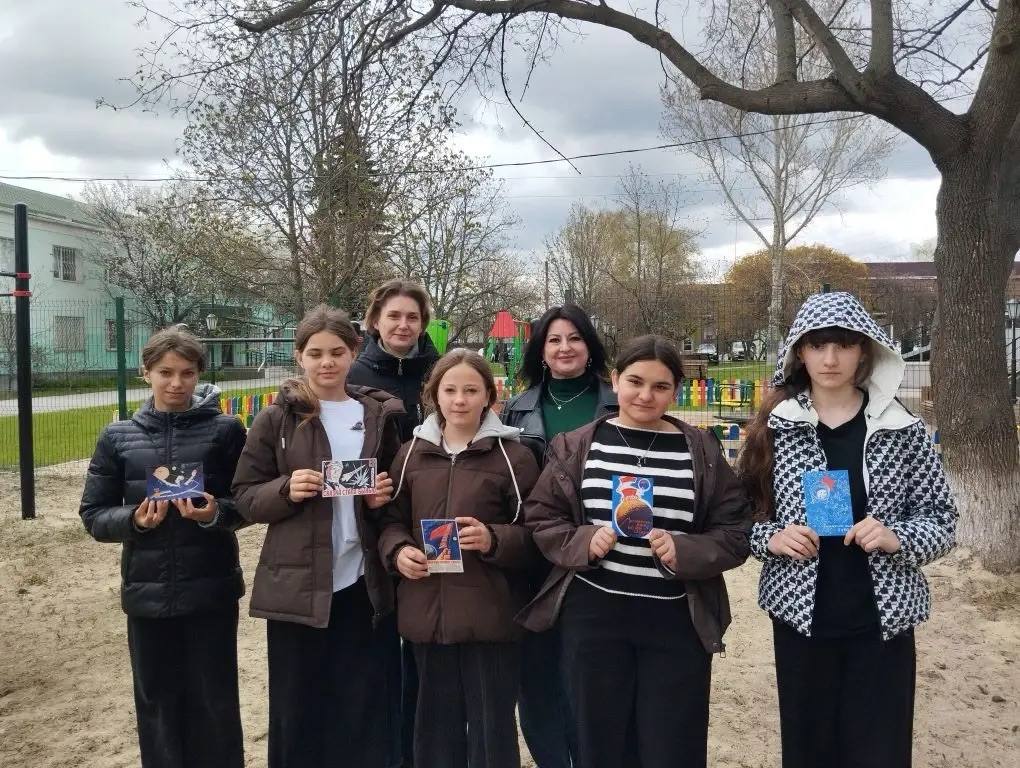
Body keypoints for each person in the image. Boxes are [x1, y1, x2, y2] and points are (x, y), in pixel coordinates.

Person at [739, 291, 957, 768]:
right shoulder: (774, 427)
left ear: (865, 351)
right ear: (800, 352)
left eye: (844, 345)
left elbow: (942, 518)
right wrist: (771, 538)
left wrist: (898, 537)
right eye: (818, 345)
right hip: (801, 616)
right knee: (809, 747)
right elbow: (739, 515)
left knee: (879, 749)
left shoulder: (903, 428)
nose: (831, 359)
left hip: (881, 620)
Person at [519, 334, 751, 768]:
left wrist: (686, 550)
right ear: (615, 380)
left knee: (671, 745)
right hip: (594, 618)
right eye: (635, 382)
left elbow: (736, 530)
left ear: (676, 390)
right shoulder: (577, 445)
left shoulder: (700, 449)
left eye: (660, 386)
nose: (646, 395)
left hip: (676, 619)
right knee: (599, 744)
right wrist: (584, 541)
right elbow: (542, 517)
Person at [231, 305, 404, 768]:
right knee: (299, 705)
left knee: (361, 702)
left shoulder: (377, 415)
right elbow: (244, 496)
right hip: (298, 585)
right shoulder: (276, 419)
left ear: (354, 352)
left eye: (337, 352)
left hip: (362, 583)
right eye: (315, 353)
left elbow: (394, 494)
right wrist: (285, 489)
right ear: (299, 356)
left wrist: (381, 497)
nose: (326, 362)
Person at [79, 327, 246, 768]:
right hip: (147, 592)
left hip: (210, 588)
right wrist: (133, 520)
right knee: (157, 702)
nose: (176, 383)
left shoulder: (226, 431)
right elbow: (93, 514)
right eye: (165, 373)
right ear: (146, 373)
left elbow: (248, 501)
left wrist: (215, 512)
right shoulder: (117, 436)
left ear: (200, 374)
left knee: (215, 700)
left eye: (187, 373)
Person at [378, 349, 540, 768]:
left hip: (491, 619)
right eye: (450, 390)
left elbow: (537, 534)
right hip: (427, 617)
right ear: (434, 395)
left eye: (471, 390)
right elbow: (391, 521)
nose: (460, 400)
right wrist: (399, 552)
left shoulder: (514, 457)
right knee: (434, 731)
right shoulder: (410, 454)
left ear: (489, 395)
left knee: (491, 734)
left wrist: (493, 539)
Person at [500, 304, 617, 768]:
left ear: (590, 345)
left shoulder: (616, 402)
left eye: (574, 338)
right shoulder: (518, 408)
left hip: (599, 549)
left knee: (591, 670)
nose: (564, 348)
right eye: (554, 340)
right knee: (537, 672)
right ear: (541, 350)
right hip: (535, 553)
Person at [347, 279, 440, 767]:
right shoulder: (354, 374)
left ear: (423, 324)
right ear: (375, 321)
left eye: (413, 317)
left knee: (429, 645)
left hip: (434, 514)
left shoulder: (439, 372)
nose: (403, 325)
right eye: (394, 316)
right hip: (374, 518)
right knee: (380, 648)